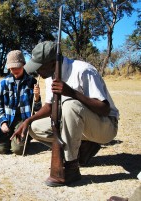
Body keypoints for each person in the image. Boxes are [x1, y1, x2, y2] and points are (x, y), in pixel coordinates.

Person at [11, 41, 119, 186]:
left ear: (53, 62)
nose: (37, 72)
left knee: (70, 104)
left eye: (40, 67)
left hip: (105, 126)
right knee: (35, 127)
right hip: (79, 125)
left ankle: (71, 167)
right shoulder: (50, 76)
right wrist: (28, 121)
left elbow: (105, 109)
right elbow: (49, 106)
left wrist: (72, 92)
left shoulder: (84, 70)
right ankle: (83, 147)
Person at [0, 50, 42, 155]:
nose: (15, 70)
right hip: (7, 119)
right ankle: (12, 138)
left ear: (23, 65)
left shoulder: (32, 82)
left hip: (23, 120)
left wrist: (37, 97)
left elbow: (37, 108)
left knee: (18, 150)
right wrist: (3, 122)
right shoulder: (2, 84)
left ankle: (26, 137)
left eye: (18, 67)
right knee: (1, 150)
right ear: (8, 67)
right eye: (12, 68)